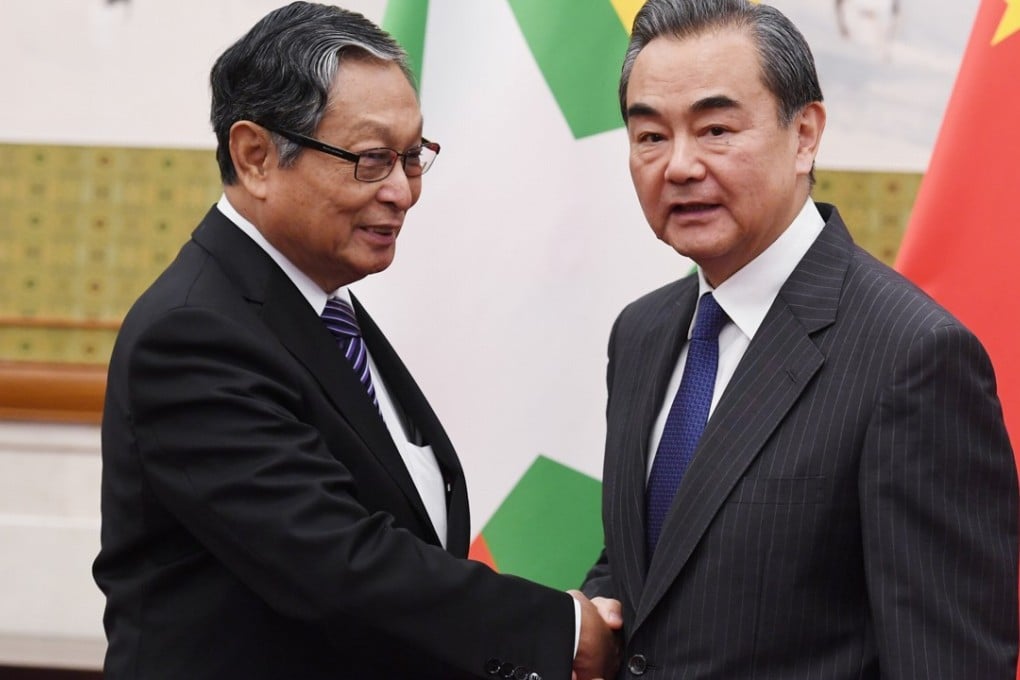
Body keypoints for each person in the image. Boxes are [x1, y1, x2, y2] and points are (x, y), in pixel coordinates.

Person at [92, 3, 618, 679]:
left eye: (413, 157)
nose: (402, 191)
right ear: (255, 156)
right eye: (371, 160)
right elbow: (335, 563)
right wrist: (563, 628)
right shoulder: (194, 334)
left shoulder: (320, 306)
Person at [581, 0, 1018, 677]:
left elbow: (946, 658)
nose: (679, 166)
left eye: (717, 129)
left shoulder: (913, 357)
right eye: (650, 137)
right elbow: (655, 562)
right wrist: (597, 610)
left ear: (806, 134)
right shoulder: (640, 334)